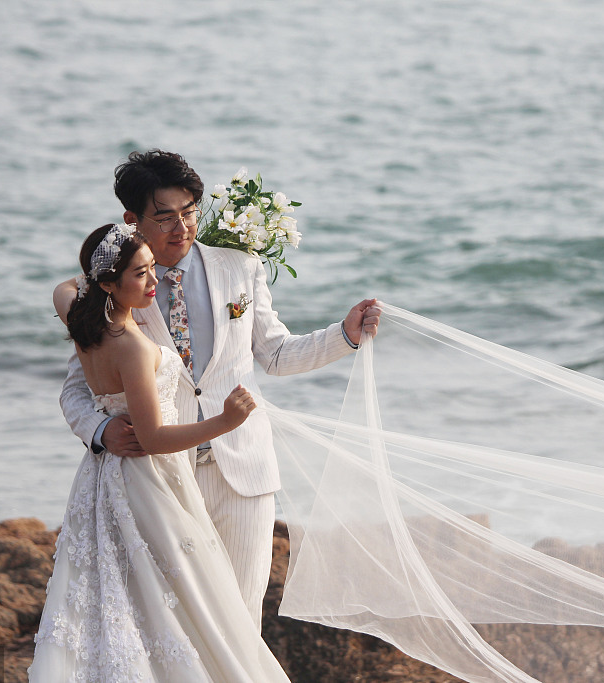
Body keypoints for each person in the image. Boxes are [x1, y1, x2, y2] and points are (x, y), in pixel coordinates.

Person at [60, 149, 382, 627]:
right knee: (174, 627)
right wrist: (101, 431)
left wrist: (345, 336)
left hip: (244, 473)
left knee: (241, 622)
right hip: (162, 478)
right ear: (132, 221)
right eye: (164, 217)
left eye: (189, 212)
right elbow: (76, 388)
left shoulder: (240, 267)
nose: (182, 228)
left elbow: (275, 353)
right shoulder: (115, 291)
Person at [31, 224, 291, 681]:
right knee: (186, 601)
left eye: (153, 268)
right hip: (149, 481)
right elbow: (151, 438)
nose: (155, 281)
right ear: (107, 284)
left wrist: (114, 259)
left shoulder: (80, 319)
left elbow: (63, 288)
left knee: (126, 601)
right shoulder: (130, 346)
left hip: (102, 478)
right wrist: (224, 422)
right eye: (140, 274)